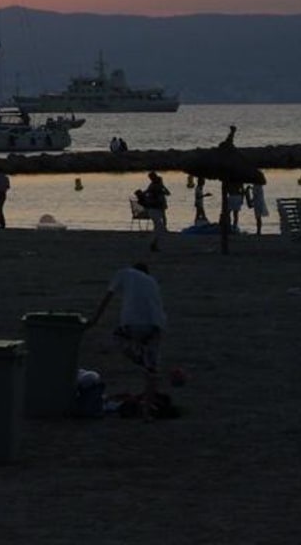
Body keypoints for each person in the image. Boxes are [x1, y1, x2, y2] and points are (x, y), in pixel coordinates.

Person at [87, 261, 167, 418]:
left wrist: (94, 320)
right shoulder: (152, 281)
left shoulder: (124, 273)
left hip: (132, 324)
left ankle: (138, 357)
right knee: (152, 371)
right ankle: (147, 412)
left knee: (117, 337)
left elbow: (108, 297)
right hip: (156, 327)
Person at [141, 171, 169, 250]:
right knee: (158, 227)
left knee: (158, 227)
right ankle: (153, 244)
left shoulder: (156, 186)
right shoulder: (154, 186)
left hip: (156, 208)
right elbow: (150, 194)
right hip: (155, 209)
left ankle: (154, 243)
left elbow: (166, 193)